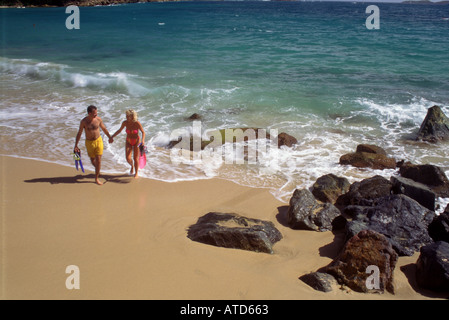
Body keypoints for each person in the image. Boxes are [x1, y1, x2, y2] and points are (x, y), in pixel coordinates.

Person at [74, 105, 113, 185]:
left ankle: (96, 178)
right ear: (89, 113)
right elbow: (79, 133)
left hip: (98, 141)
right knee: (92, 160)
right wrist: (76, 145)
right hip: (89, 143)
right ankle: (97, 170)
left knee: (98, 160)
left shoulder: (98, 120)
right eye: (94, 113)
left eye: (96, 113)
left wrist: (110, 137)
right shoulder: (84, 122)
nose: (96, 115)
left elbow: (104, 129)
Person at [111, 109, 146, 178]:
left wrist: (143, 141)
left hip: (136, 141)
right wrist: (112, 136)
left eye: (128, 116)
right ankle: (132, 166)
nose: (126, 117)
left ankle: (136, 173)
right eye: (126, 116)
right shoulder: (125, 123)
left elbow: (143, 132)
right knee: (128, 158)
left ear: (132, 116)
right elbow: (119, 130)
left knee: (136, 158)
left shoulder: (137, 123)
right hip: (128, 141)